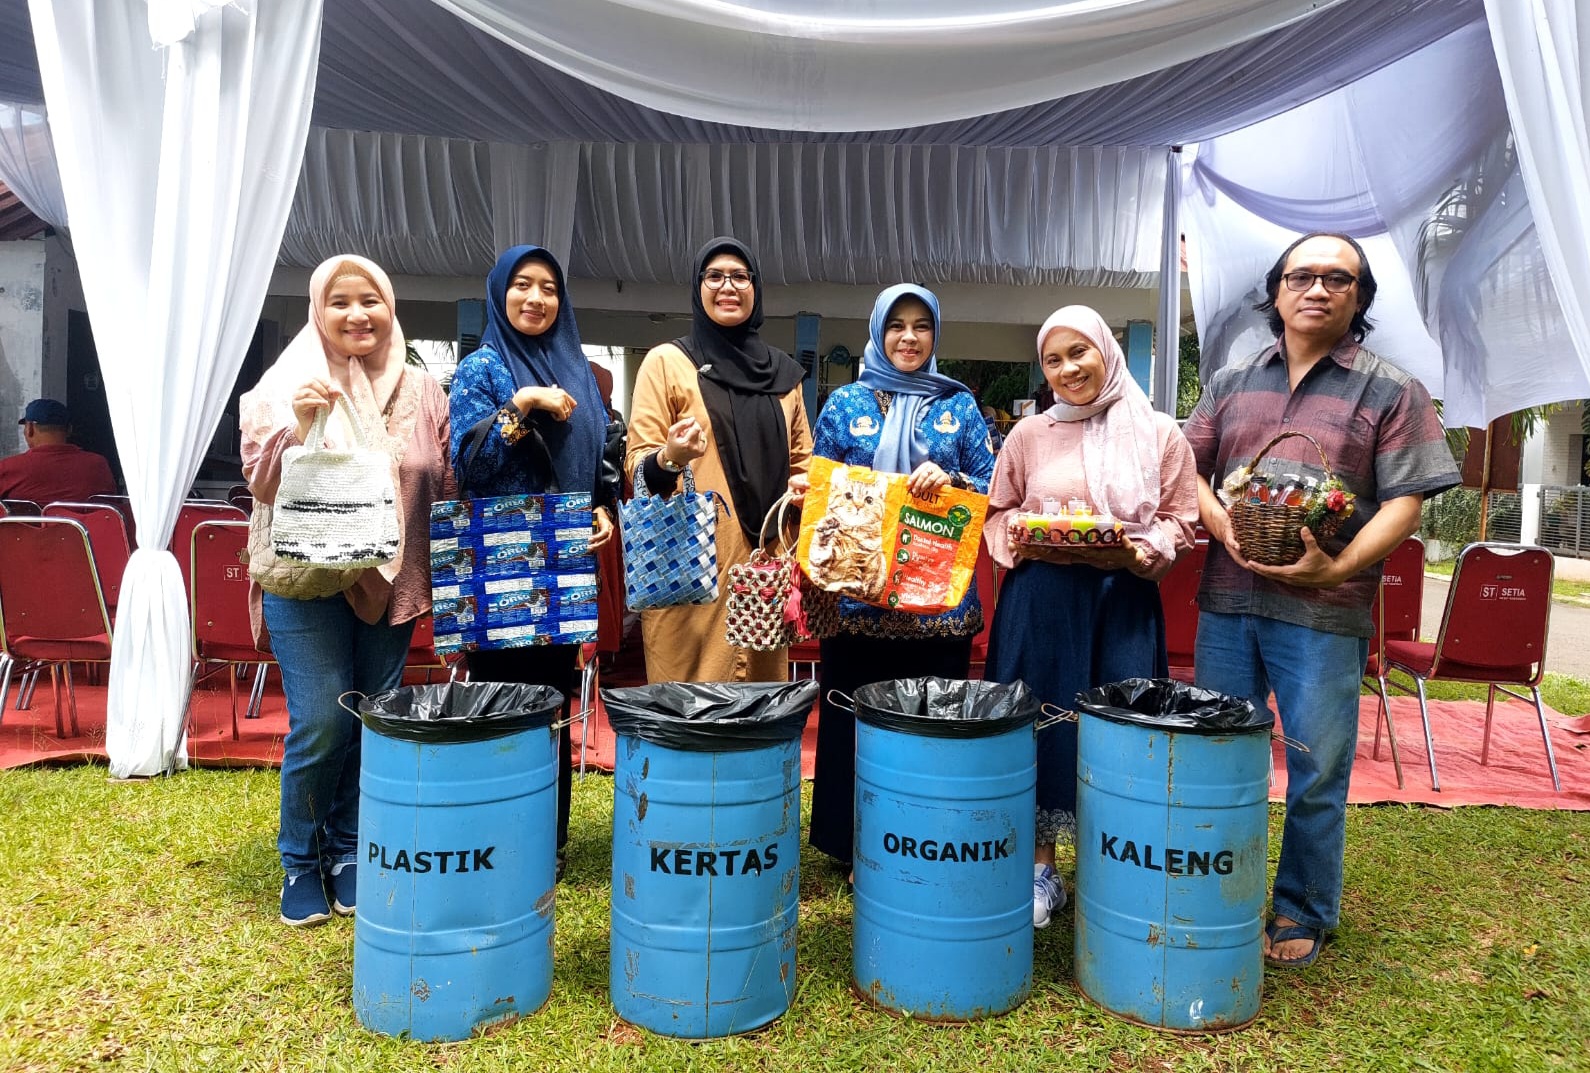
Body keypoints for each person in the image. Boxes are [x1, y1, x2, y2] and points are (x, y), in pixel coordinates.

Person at [1183, 232, 1459, 969]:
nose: (1318, 288)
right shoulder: (1233, 380)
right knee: (1217, 753)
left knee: (1317, 763)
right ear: (1276, 291)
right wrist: (1226, 531)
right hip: (1228, 600)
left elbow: (1406, 505)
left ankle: (1301, 905)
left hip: (1325, 612)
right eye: (1302, 275)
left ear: (1359, 299)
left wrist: (1330, 567)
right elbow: (1192, 474)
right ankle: (1216, 890)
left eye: (1339, 279)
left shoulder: (1393, 389)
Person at [241, 255, 453, 927]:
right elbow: (262, 482)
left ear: (391, 307)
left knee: (370, 717)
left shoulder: (424, 391)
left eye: (371, 300)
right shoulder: (283, 383)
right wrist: (297, 427)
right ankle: (300, 860)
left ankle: (348, 849)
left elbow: (443, 483)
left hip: (390, 579)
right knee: (324, 718)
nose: (358, 313)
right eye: (340, 301)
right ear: (317, 310)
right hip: (305, 577)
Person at [984, 305, 1198, 929]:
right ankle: (1040, 869)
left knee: (1122, 727)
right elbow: (999, 513)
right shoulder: (1029, 435)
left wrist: (1143, 549)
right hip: (1043, 600)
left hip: (1121, 598)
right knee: (1042, 722)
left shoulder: (1159, 432)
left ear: (1107, 349)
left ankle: (1113, 867)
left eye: (1079, 352)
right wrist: (1022, 536)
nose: (1068, 369)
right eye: (1053, 359)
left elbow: (1181, 519)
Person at [805, 284, 995, 874]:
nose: (908, 338)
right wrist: (850, 482)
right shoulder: (844, 405)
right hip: (856, 597)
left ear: (936, 334)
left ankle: (924, 833)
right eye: (896, 325)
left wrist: (953, 474)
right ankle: (847, 841)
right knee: (850, 716)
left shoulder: (959, 406)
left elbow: (992, 487)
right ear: (878, 332)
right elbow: (819, 483)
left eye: (921, 326)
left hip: (935, 602)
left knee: (930, 721)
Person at [448, 245, 619, 879]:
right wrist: (521, 407)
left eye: (549, 287)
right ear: (500, 293)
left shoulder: (575, 367)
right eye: (522, 285)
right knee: (503, 696)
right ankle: (496, 830)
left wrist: (602, 505)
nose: (536, 298)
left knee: (552, 700)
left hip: (563, 551)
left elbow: (599, 449)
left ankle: (546, 838)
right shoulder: (481, 369)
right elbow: (470, 465)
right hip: (501, 562)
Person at [625, 236, 813, 683]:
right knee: (688, 711)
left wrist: (805, 491)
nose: (728, 286)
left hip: (764, 568)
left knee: (760, 708)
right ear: (698, 286)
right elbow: (637, 467)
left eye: (740, 276)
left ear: (756, 287)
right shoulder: (667, 362)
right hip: (689, 565)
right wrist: (670, 457)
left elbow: (803, 462)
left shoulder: (784, 376)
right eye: (714, 276)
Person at [0, 398, 116, 504]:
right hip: (83, 527)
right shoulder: (98, 464)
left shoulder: (8, 467)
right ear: (69, 429)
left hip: (23, 528)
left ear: (30, 428)